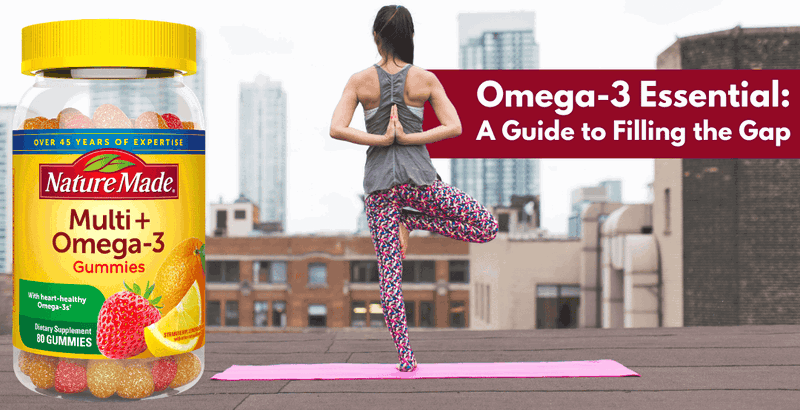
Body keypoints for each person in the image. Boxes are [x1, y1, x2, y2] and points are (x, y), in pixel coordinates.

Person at [330, 5, 498, 372]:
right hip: (421, 183)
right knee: (486, 226)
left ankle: (406, 360)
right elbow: (454, 126)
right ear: (409, 38)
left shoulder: (359, 80)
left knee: (389, 278)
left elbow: (336, 128)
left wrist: (384, 137)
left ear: (376, 37)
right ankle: (416, 220)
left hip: (379, 192)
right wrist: (409, 138)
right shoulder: (424, 79)